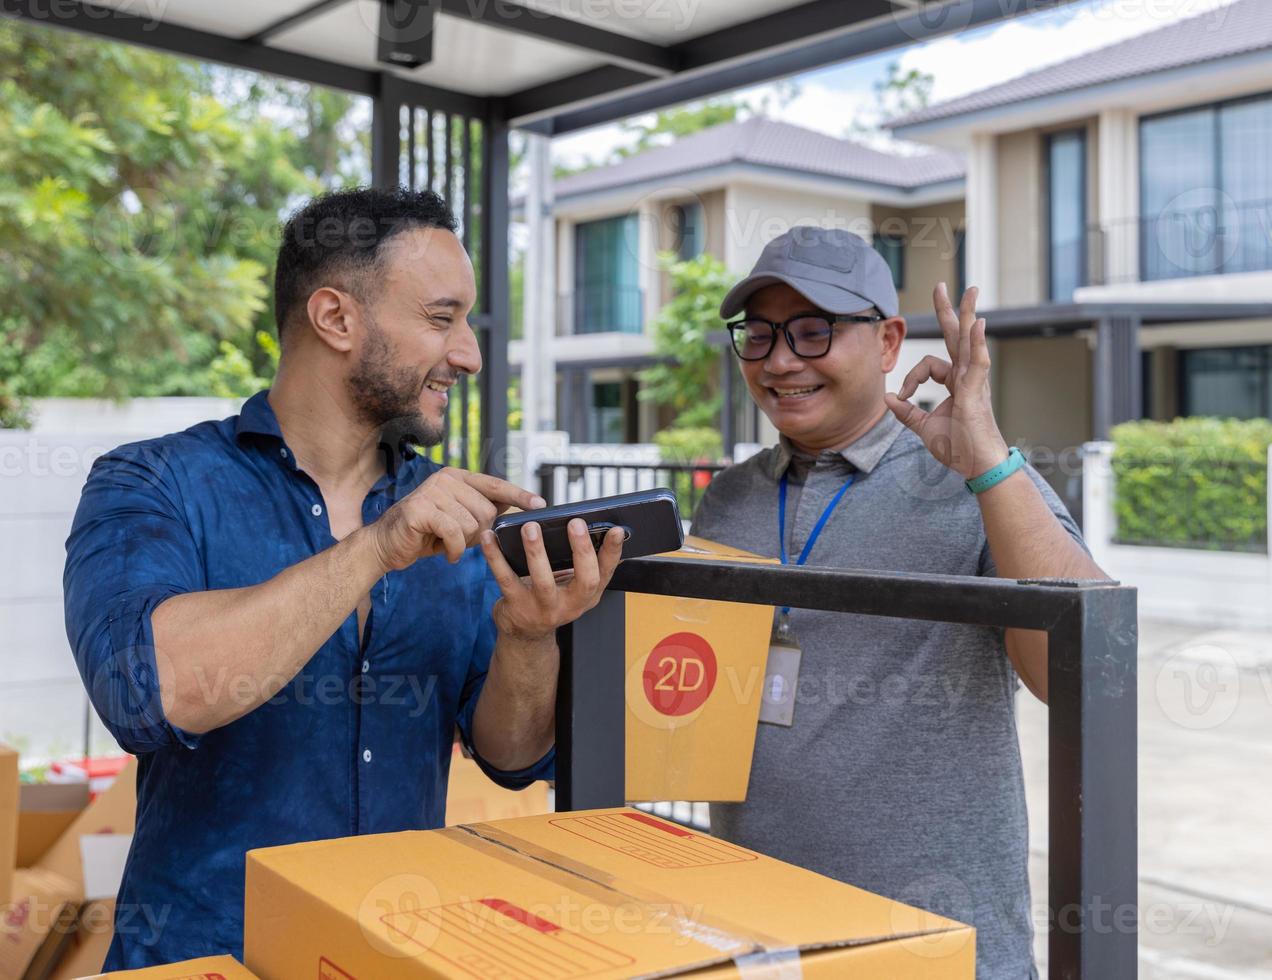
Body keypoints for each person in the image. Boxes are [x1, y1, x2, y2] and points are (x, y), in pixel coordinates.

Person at [62, 187, 623, 968]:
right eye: (440, 318)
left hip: (397, 953)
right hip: (205, 956)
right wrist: (377, 546)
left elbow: (511, 754)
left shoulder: (447, 511)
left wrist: (528, 637)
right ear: (335, 318)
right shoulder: (151, 484)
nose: (468, 354)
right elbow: (148, 690)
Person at [690, 226, 1107, 978]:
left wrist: (986, 463)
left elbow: (1089, 675)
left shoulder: (973, 479)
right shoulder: (729, 498)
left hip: (938, 946)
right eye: (757, 336)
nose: (781, 360)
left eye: (813, 331)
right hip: (762, 939)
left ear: (887, 343)